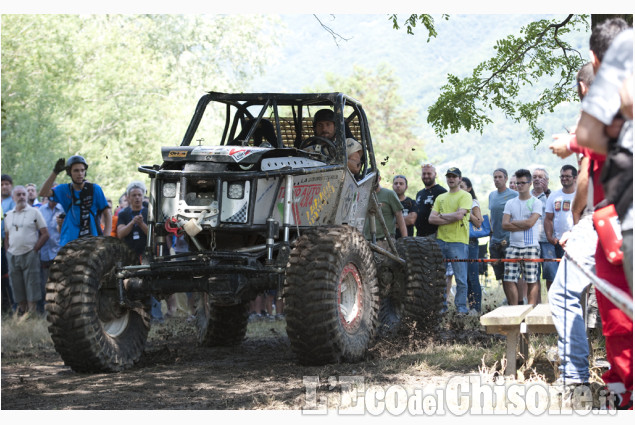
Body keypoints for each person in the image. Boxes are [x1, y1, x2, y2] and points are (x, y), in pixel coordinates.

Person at [574, 18, 633, 409]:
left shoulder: (608, 105)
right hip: (613, 218)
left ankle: (622, 393)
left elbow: (587, 150)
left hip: (615, 221)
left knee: (617, 318)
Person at [548, 61, 599, 390]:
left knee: (562, 294)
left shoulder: (595, 115)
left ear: (582, 87)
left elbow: (586, 175)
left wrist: (579, 218)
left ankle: (575, 378)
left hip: (600, 216)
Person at [39, 156, 111, 246]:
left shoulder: (94, 189)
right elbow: (43, 193)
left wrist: (106, 239)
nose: (80, 173)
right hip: (69, 242)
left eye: (82, 170)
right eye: (76, 171)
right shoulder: (64, 189)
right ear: (70, 173)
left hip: (92, 242)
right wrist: (55, 172)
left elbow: (107, 213)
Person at [428, 167, 472, 314]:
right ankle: (441, 307)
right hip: (441, 241)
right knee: (440, 277)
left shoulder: (465, 196)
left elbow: (459, 216)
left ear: (460, 179)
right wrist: (449, 217)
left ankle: (461, 308)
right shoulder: (440, 198)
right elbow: (431, 219)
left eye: (454, 176)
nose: (451, 179)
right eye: (449, 176)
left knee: (461, 278)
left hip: (459, 242)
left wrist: (441, 216)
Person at [3, 186, 49, 316]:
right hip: (13, 255)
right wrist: (8, 252)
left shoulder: (34, 212)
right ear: (13, 198)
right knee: (16, 285)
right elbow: (6, 237)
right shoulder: (8, 215)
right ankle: (23, 314)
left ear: (27, 196)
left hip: (30, 254)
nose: (22, 197)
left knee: (32, 285)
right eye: (18, 194)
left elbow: (45, 233)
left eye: (24, 194)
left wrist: (35, 249)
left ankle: (32, 315)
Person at [501, 169, 542, 306]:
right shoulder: (510, 203)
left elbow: (530, 223)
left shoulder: (536, 202)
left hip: (531, 245)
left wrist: (513, 222)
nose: (519, 186)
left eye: (523, 183)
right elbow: (504, 225)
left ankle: (529, 311)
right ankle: (514, 311)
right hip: (513, 245)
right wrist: (522, 224)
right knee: (508, 279)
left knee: (531, 279)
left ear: (530, 183)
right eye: (518, 183)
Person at [543, 164, 577, 291]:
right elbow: (548, 218)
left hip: (576, 242)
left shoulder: (580, 195)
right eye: (562, 176)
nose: (564, 179)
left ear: (575, 178)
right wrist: (549, 236)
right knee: (556, 276)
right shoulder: (554, 195)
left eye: (567, 176)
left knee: (574, 276)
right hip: (558, 242)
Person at [488, 168, 518, 286]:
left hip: (509, 240)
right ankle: (509, 302)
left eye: (500, 177)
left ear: (506, 178)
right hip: (495, 240)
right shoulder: (491, 195)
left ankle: (520, 302)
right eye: (495, 177)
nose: (497, 179)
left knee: (513, 275)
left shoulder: (514, 194)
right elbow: (492, 216)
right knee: (501, 277)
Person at [37, 191, 64, 314]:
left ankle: (60, 310)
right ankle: (47, 311)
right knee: (45, 283)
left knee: (60, 282)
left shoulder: (64, 208)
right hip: (44, 252)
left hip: (60, 251)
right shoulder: (40, 210)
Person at [460, 177, 483, 313]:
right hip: (458, 241)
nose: (460, 189)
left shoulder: (473, 202)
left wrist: (466, 213)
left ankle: (476, 307)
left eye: (462, 186)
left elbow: (479, 222)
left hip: (471, 242)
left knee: (472, 275)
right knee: (463, 277)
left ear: (469, 188)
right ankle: (466, 306)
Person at [363, 171, 408, 241]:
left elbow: (400, 218)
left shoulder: (389, 194)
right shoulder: (364, 196)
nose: (372, 182)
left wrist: (405, 240)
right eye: (369, 179)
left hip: (385, 240)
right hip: (366, 240)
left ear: (379, 178)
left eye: (374, 179)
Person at [531, 167, 552, 298]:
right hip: (530, 242)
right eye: (535, 177)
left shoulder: (551, 196)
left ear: (547, 180)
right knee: (533, 277)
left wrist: (546, 192)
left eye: (541, 177)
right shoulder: (526, 196)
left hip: (546, 241)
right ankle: (535, 307)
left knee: (550, 274)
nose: (537, 179)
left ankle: (553, 307)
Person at [414, 164, 447, 237]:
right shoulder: (419, 193)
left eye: (429, 173)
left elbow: (445, 214)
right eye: (424, 174)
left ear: (435, 174)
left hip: (434, 235)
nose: (426, 176)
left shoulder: (441, 192)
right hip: (419, 235)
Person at [2, 174, 16, 313]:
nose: (4, 187)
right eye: (1, 184)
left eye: (6, 184)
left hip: (11, 244)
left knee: (10, 275)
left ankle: (13, 307)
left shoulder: (14, 201)